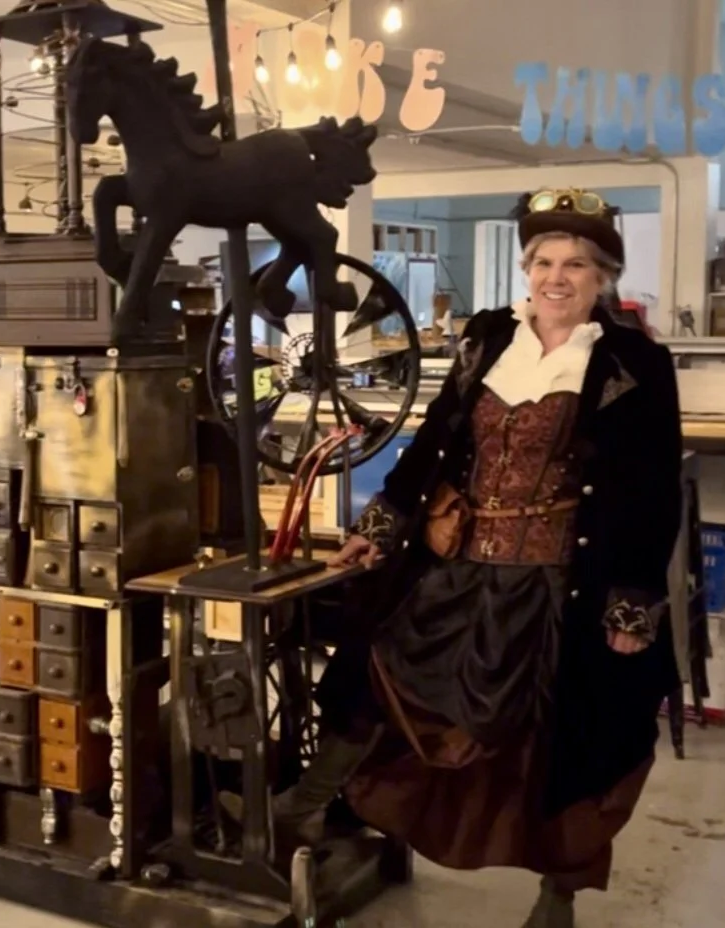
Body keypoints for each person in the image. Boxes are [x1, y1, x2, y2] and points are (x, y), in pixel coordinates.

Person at [273, 188, 685, 927]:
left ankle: (556, 895)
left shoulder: (634, 362)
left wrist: (633, 602)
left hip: (562, 583)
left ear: (603, 276)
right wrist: (385, 521)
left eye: (576, 264)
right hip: (459, 565)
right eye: (543, 261)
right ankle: (304, 807)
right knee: (377, 663)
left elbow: (652, 493)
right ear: (526, 269)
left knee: (560, 736)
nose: (556, 277)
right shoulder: (491, 337)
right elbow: (434, 443)